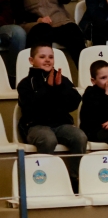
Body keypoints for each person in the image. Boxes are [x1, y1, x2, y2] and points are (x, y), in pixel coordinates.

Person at [16, 44, 87, 182]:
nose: (47, 60)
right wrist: (47, 88)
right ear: (31, 60)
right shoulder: (25, 83)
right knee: (49, 139)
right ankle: (44, 178)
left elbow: (74, 103)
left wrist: (60, 87)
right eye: (42, 57)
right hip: (35, 126)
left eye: (51, 57)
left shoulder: (61, 79)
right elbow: (31, 109)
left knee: (79, 136)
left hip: (61, 125)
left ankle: (75, 178)